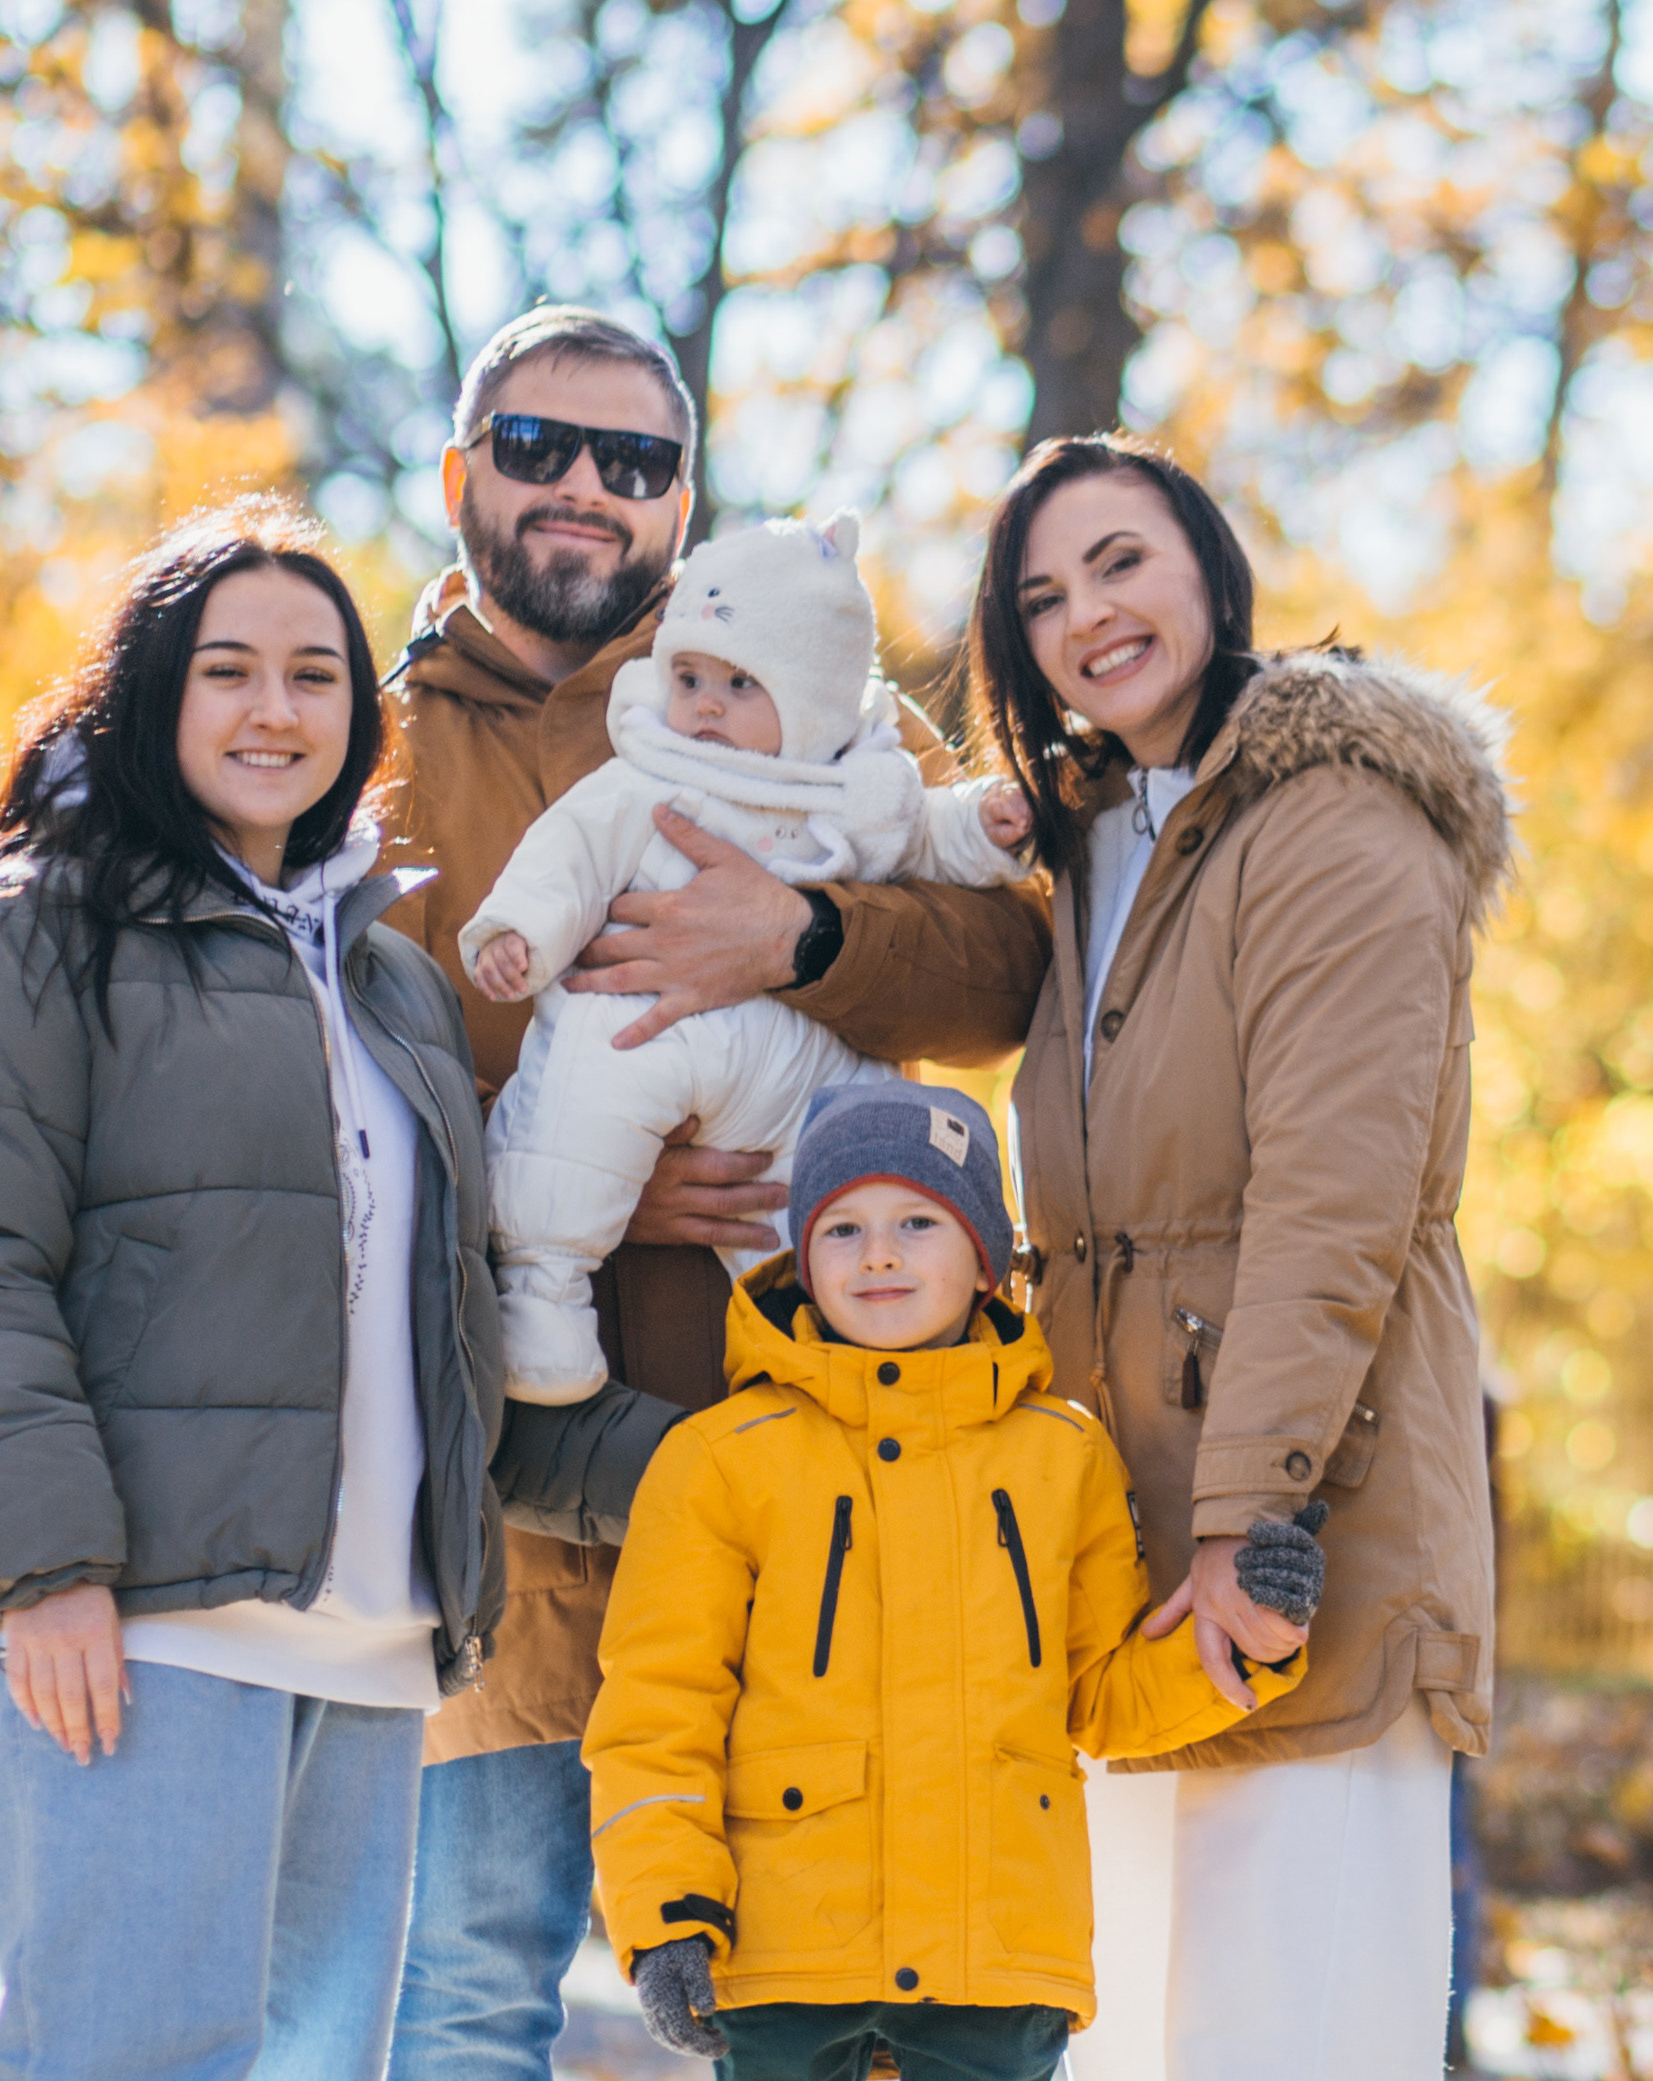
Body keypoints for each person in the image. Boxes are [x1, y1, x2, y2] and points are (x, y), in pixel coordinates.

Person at [382, 306, 1054, 2081]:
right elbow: (320, 1095)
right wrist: (577, 1148)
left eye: (638, 459)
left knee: (821, 2009)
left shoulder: (826, 710)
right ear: (465, 476)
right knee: (462, 1998)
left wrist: (804, 935)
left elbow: (1001, 976)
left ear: (683, 503)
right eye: (541, 448)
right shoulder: (374, 752)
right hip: (507, 1518)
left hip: (811, 1492)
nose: (589, 487)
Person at [0, 499, 510, 2081]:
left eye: (314, 675)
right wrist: (44, 1572)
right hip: (139, 1625)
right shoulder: (30, 933)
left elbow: (446, 1319)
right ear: (149, 694)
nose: (275, 710)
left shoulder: (388, 974)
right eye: (228, 669)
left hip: (367, 1642)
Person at [972, 434, 1509, 2081]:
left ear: (1212, 570)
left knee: (1289, 2040)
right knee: (1142, 2041)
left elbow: (1334, 1201)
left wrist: (1242, 1521)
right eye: (1043, 594)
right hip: (1124, 1565)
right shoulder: (1101, 841)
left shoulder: (1334, 820)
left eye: (1121, 560)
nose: (1087, 614)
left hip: (1299, 1545)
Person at [583, 1082, 1313, 2081]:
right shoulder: (720, 1459)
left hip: (996, 1954)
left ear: (984, 1262)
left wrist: (1244, 1640)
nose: (876, 1252)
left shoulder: (1064, 1456)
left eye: (916, 1220)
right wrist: (665, 1910)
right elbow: (655, 1709)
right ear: (800, 1261)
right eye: (840, 1227)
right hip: (786, 1952)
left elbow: (1097, 1693)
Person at [463, 508, 1034, 1404]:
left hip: (799, 1058)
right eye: (687, 676)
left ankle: (860, 1364)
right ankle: (543, 1294)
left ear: (809, 701)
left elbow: (931, 842)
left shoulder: (856, 778)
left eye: (738, 683)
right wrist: (521, 935)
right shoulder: (646, 768)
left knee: (850, 1174)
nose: (704, 705)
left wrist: (986, 829)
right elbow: (565, 855)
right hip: (645, 1028)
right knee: (573, 1101)